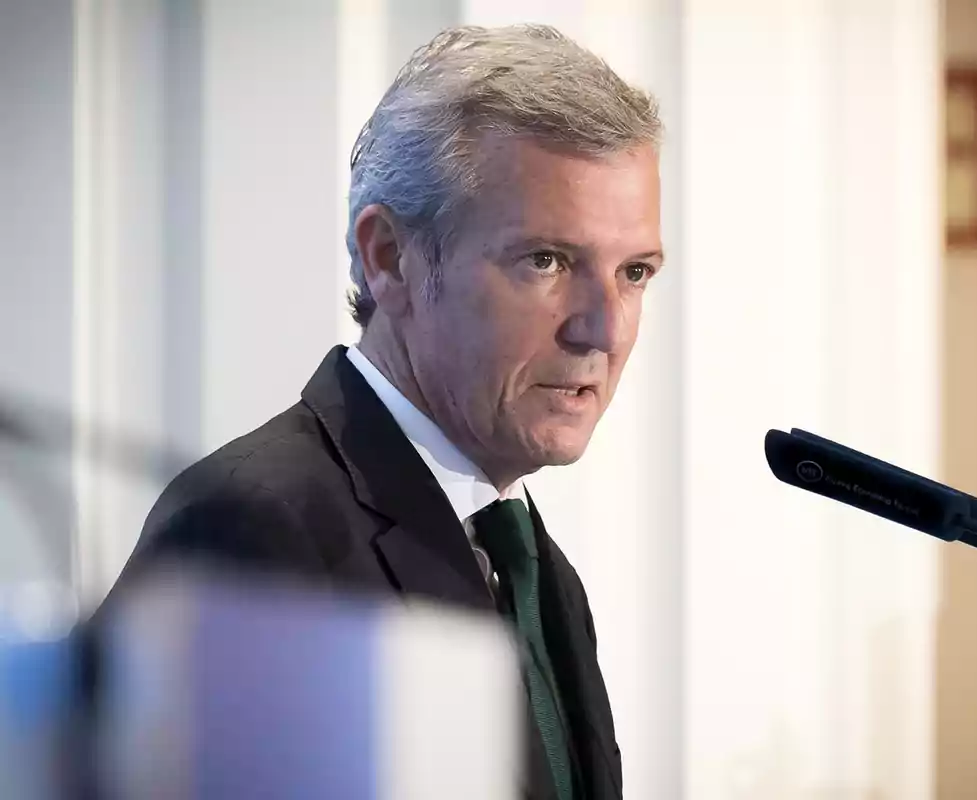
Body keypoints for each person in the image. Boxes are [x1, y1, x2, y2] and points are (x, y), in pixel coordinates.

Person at [103, 23, 663, 800]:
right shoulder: (252, 530)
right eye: (547, 261)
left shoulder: (536, 568)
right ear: (389, 259)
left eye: (635, 272)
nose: (604, 329)